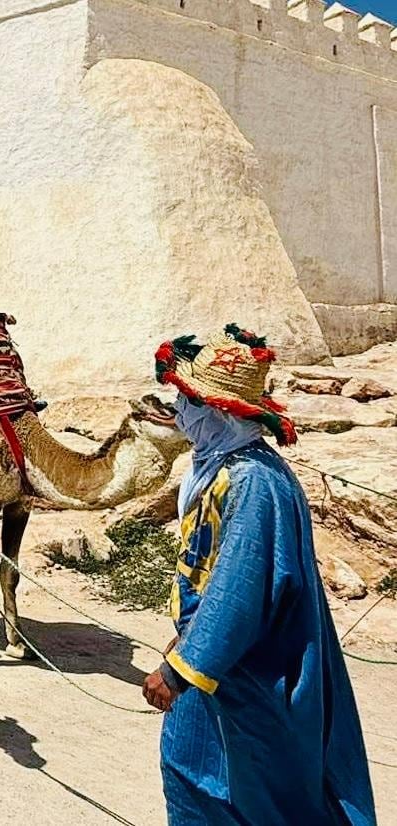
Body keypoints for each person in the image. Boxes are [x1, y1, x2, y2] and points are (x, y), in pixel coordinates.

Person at [142, 325, 375, 825]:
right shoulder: (224, 466)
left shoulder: (251, 483)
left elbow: (237, 590)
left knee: (244, 790)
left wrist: (182, 669)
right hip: (217, 660)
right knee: (193, 771)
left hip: (246, 668)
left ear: (219, 410)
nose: (178, 411)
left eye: (188, 401)